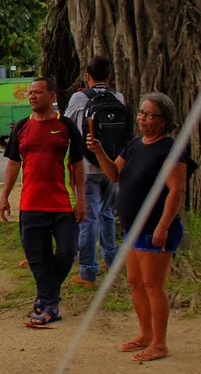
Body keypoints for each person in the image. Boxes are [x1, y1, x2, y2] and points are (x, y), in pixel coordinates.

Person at [87, 92, 194, 362]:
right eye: (141, 113)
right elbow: (114, 174)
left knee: (152, 285)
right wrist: (99, 150)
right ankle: (145, 334)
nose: (142, 119)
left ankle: (159, 343)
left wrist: (163, 226)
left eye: (149, 115)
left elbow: (176, 191)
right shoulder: (136, 144)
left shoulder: (170, 148)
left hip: (155, 228)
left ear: (164, 120)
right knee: (135, 282)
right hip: (134, 228)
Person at [0, 77, 86, 326]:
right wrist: (4, 196)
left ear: (52, 95)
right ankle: (50, 306)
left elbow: (78, 165)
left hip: (63, 204)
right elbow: (13, 163)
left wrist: (81, 200)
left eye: (38, 92)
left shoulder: (67, 126)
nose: (32, 96)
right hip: (31, 204)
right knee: (38, 257)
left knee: (67, 253)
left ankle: (46, 297)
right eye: (30, 93)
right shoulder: (22, 127)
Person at [64, 56, 123, 287]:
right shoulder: (118, 97)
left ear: (88, 76)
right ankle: (111, 259)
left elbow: (66, 124)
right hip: (112, 165)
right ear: (109, 77)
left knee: (88, 217)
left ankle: (88, 271)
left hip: (87, 166)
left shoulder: (79, 97)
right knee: (108, 213)